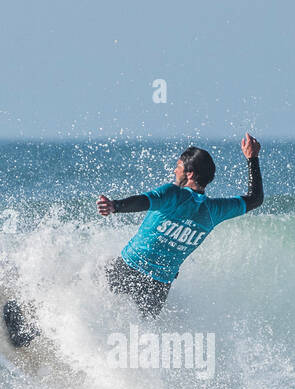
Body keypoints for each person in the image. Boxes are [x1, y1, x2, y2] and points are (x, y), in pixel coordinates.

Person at [97, 134, 264, 317]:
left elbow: (144, 201)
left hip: (127, 269)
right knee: (137, 337)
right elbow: (255, 199)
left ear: (189, 173)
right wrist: (252, 159)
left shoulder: (173, 194)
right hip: (158, 288)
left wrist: (116, 206)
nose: (175, 171)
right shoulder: (215, 211)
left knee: (95, 310)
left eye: (178, 167)